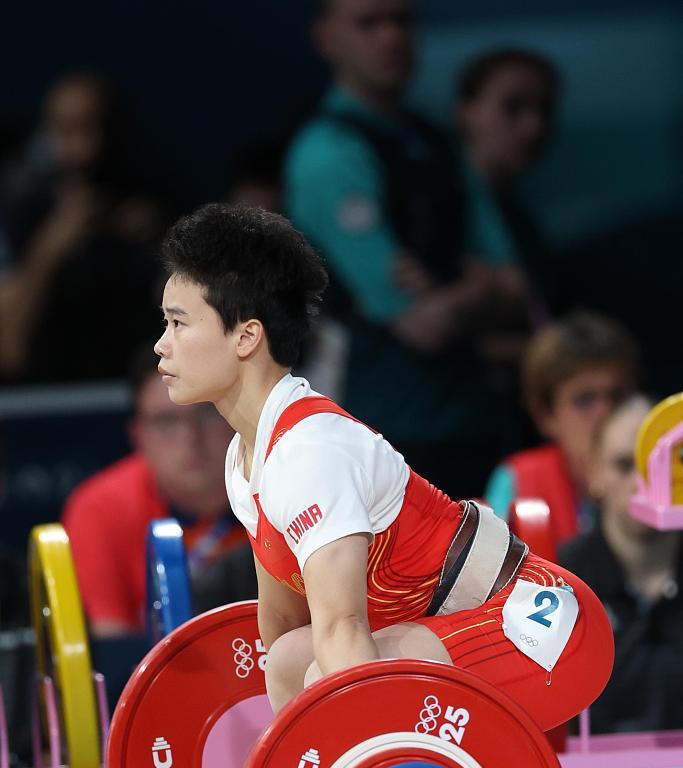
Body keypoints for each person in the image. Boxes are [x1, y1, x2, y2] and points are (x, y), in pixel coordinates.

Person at [154, 202, 613, 730]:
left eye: (178, 322)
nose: (161, 345)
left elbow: (344, 632)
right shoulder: (246, 460)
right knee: (289, 661)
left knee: (329, 673)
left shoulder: (310, 454)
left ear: (246, 337)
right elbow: (282, 626)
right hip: (443, 628)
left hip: (542, 634)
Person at [284, 0, 534, 498]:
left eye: (401, 20)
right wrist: (474, 281)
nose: (390, 37)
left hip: (473, 424)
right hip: (377, 434)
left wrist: (451, 290)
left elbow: (517, 283)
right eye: (369, 23)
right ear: (327, 37)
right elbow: (424, 325)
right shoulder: (327, 154)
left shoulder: (437, 141)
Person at [62, 347, 247, 637]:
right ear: (138, 435)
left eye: (207, 412)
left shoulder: (283, 487)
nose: (190, 438)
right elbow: (114, 651)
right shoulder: (100, 508)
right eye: (166, 421)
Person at [0, 72, 163, 383]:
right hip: (49, 398)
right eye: (68, 129)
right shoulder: (23, 216)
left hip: (137, 387)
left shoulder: (150, 208)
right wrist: (50, 248)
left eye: (96, 126)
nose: (86, 146)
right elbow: (9, 350)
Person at [560, 396, 683, 733]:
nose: (645, 482)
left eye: (666, 462)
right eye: (626, 464)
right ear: (594, 474)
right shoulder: (559, 579)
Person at [484, 310, 639, 548]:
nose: (605, 412)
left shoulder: (660, 471)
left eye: (617, 396)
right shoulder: (517, 481)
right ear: (545, 416)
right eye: (585, 400)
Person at [456, 49, 559, 314]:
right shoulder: (439, 207)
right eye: (512, 107)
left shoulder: (514, 209)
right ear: (466, 112)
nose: (534, 126)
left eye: (545, 110)